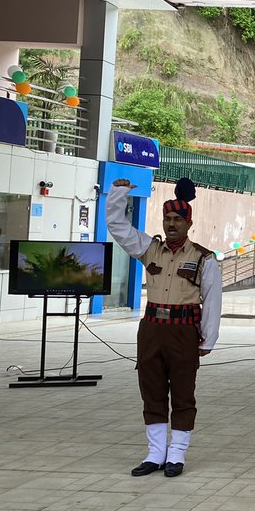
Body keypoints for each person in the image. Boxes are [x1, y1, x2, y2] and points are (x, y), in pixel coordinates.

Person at [106, 177, 221, 478]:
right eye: (167, 218)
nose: (171, 224)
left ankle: (177, 454)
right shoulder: (150, 249)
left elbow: (212, 300)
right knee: (152, 391)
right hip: (152, 330)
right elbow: (118, 227)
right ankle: (155, 454)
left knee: (183, 393)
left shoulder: (203, 257)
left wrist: (208, 339)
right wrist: (118, 193)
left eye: (177, 219)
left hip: (184, 332)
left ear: (188, 223)